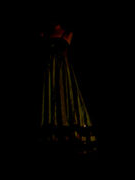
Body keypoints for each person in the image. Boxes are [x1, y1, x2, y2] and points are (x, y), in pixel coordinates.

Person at [40, 23, 96, 153]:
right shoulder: (45, 34)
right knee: (50, 98)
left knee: (67, 97)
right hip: (49, 73)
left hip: (64, 73)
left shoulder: (67, 33)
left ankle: (69, 134)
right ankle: (52, 134)